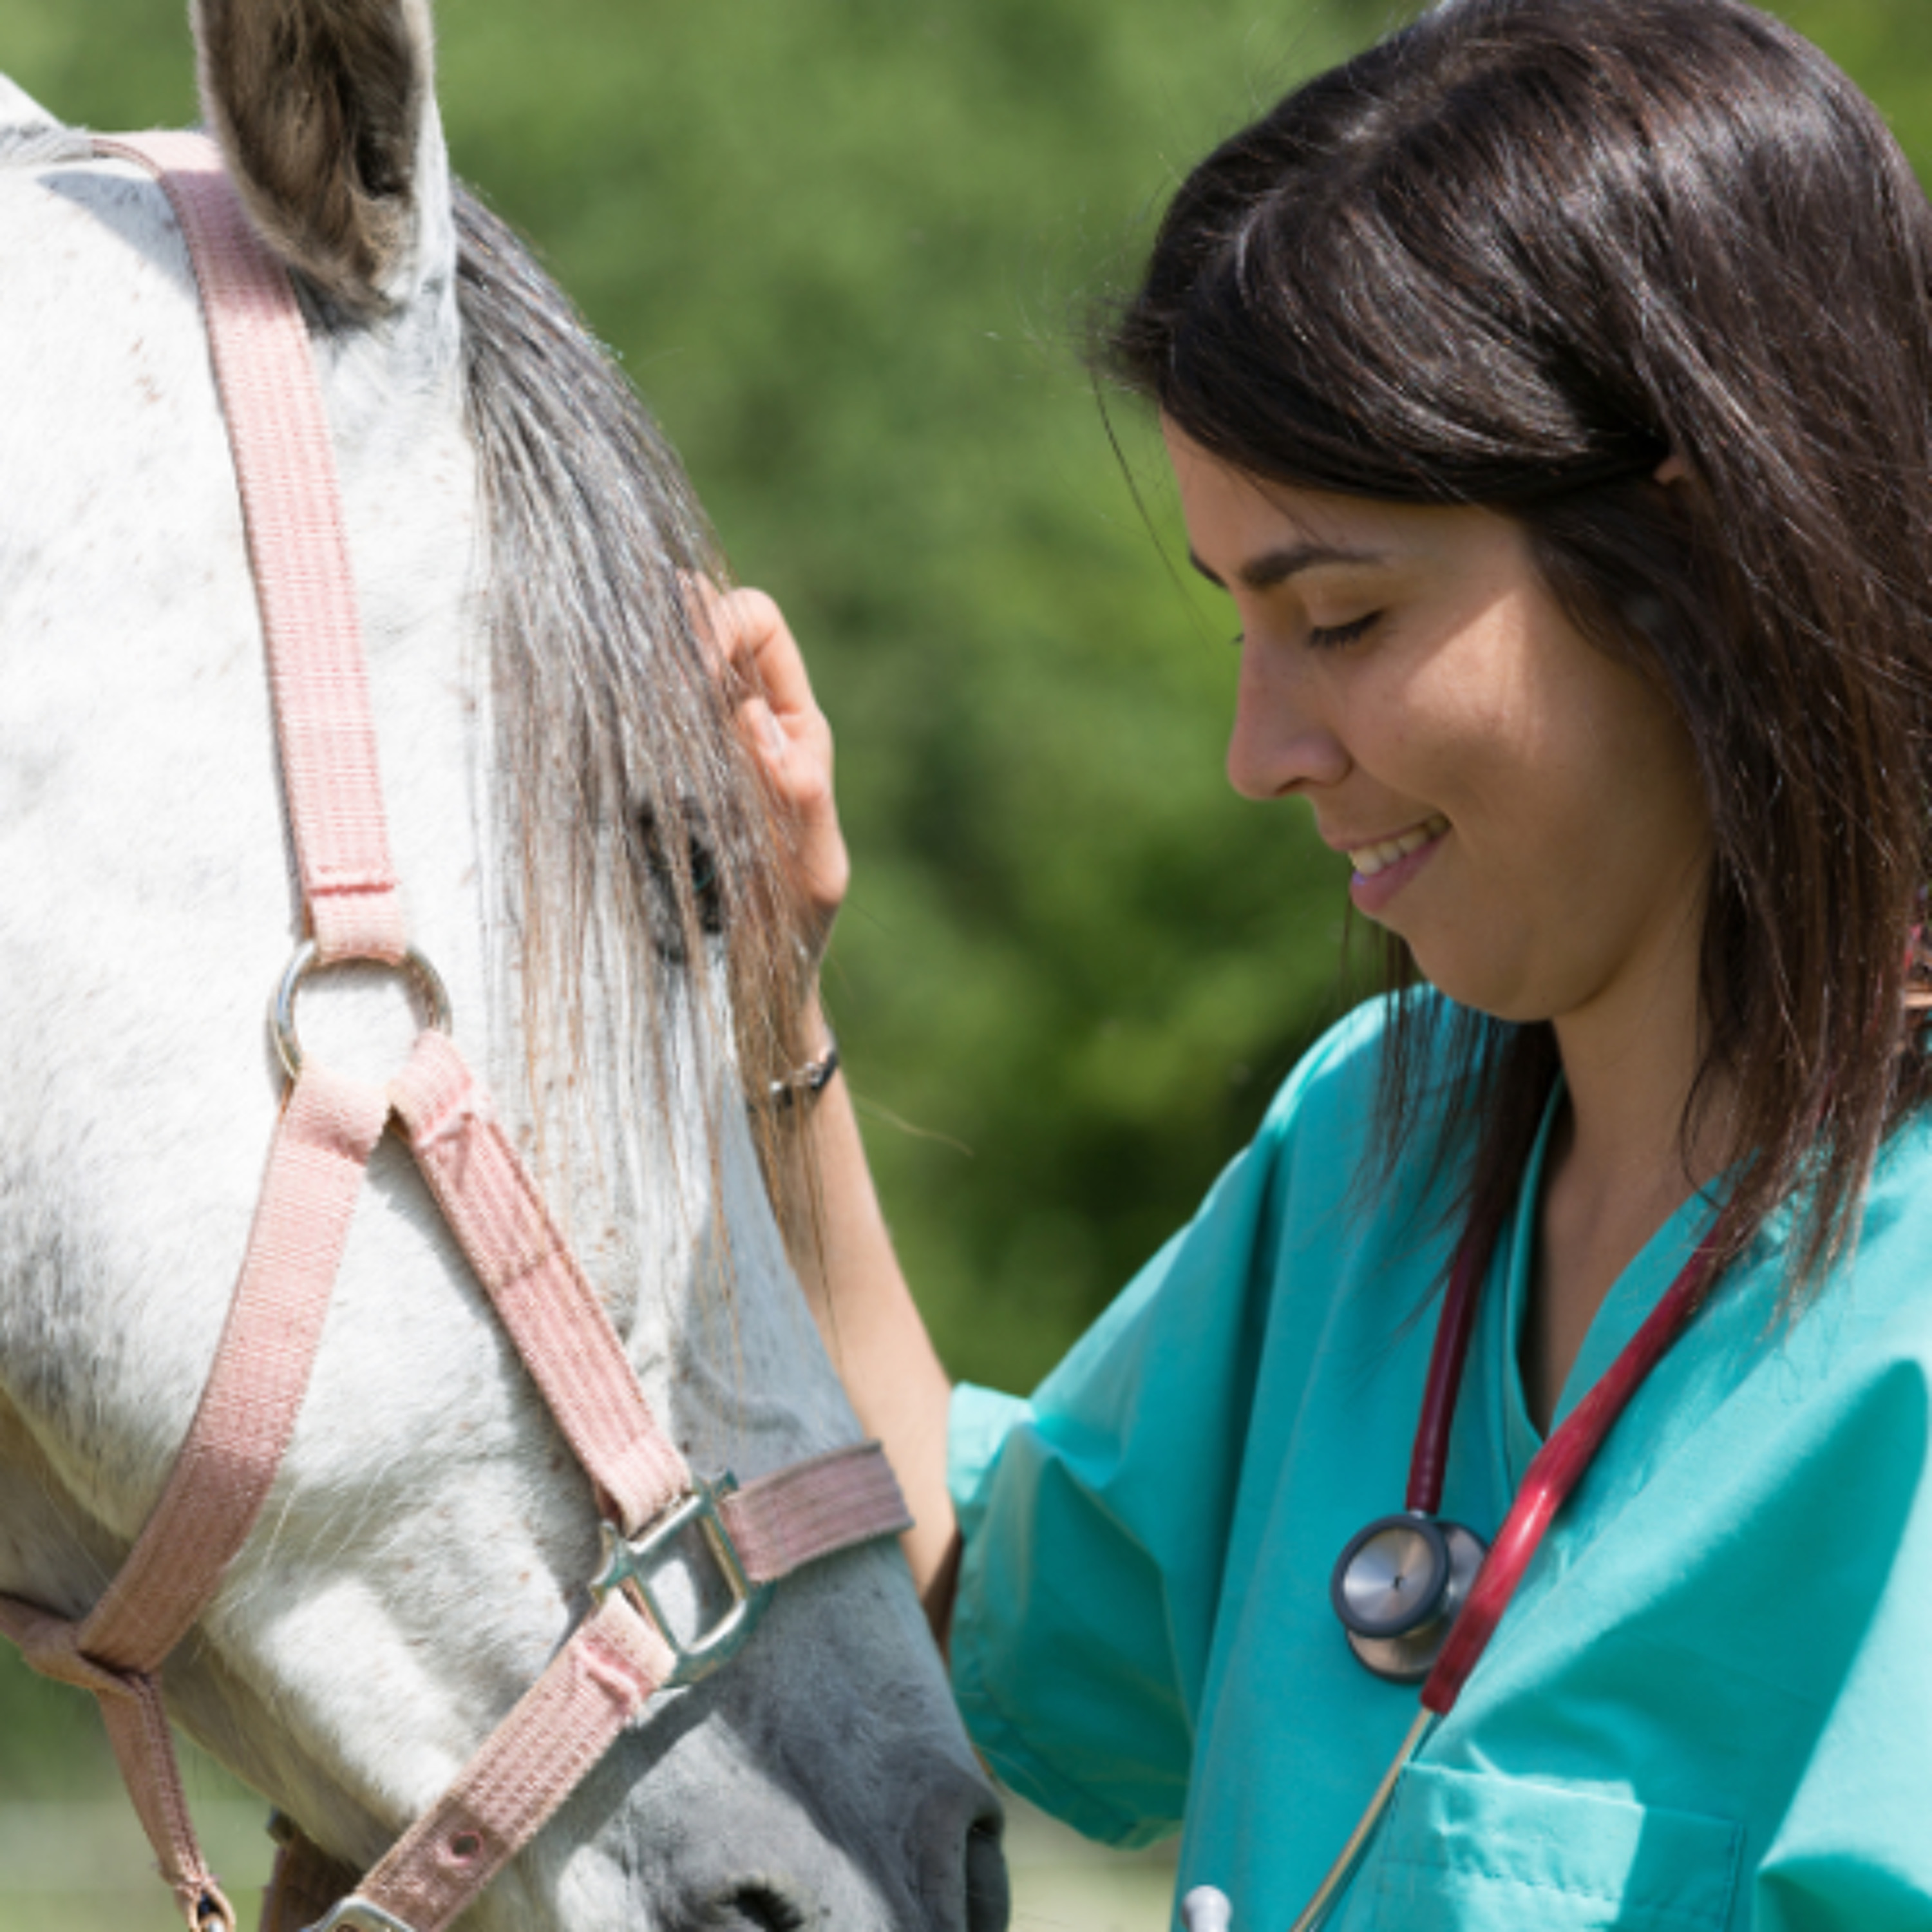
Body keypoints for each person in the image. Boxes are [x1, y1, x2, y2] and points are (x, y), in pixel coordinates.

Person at [709, 0, 1932, 1924]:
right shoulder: (1380, 1139)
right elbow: (949, 1606)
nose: (1261, 753)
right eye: (1240, 636)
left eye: (1343, 618)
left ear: (1695, 554)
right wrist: (765, 987)